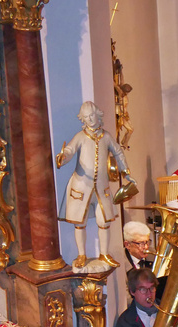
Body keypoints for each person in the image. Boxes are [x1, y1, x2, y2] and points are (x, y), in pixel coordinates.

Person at [56, 101, 135, 269]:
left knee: (103, 221)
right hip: (81, 186)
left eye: (92, 115)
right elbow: (69, 150)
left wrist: (126, 171)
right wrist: (63, 157)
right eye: (86, 117)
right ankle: (81, 254)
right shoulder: (80, 137)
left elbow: (118, 152)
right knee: (80, 222)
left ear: (98, 115)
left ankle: (104, 253)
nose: (90, 119)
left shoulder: (106, 136)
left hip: (101, 187)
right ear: (82, 119)